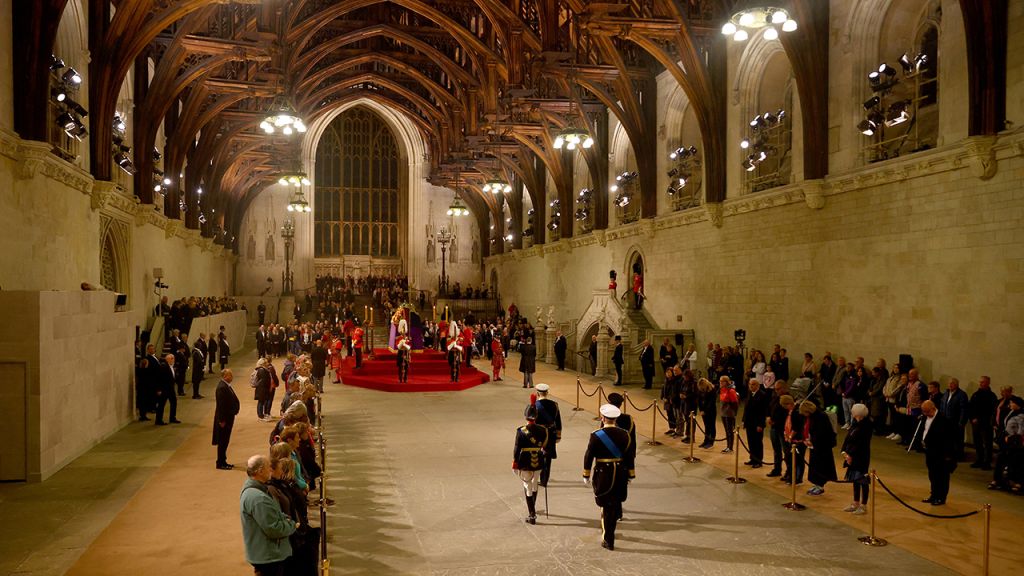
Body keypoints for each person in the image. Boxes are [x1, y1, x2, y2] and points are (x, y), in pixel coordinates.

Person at [583, 404, 635, 551]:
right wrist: (631, 474)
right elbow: (629, 456)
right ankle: (609, 533)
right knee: (613, 504)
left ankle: (608, 539)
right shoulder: (625, 434)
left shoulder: (596, 435)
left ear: (603, 418)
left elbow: (589, 455)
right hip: (620, 473)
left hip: (603, 474)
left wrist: (586, 474)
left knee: (606, 506)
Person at [240, 455, 298, 576]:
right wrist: (292, 525)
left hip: (264, 554)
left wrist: (283, 519)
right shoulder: (258, 498)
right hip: (269, 556)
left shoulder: (255, 490)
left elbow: (273, 513)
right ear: (260, 471)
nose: (270, 470)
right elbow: (273, 528)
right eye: (268, 468)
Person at [513, 403, 549, 525]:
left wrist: (515, 463)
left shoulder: (521, 430)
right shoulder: (543, 430)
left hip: (525, 461)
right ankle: (532, 507)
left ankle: (532, 514)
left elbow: (517, 448)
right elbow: (545, 446)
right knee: (535, 484)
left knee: (527, 486)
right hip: (538, 460)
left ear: (525, 416)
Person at [921, 399, 957, 505]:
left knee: (942, 476)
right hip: (930, 452)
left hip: (941, 454)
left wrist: (948, 455)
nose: (925, 414)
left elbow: (949, 439)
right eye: (924, 411)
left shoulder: (944, 420)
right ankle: (934, 495)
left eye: (927, 411)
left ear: (933, 408)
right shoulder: (925, 417)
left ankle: (941, 497)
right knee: (932, 475)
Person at [841, 403, 873, 514]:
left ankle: (863, 505)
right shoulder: (855, 423)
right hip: (851, 456)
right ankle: (855, 502)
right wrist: (844, 452)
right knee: (855, 480)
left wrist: (851, 455)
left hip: (861, 456)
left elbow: (861, 443)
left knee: (862, 480)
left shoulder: (866, 426)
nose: (851, 412)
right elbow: (848, 438)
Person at [801, 400, 838, 496]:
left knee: (821, 466)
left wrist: (812, 441)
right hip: (814, 446)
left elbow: (822, 433)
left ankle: (820, 485)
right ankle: (816, 484)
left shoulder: (821, 416)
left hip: (822, 447)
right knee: (814, 465)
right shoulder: (812, 417)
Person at [533, 384, 562, 486]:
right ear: (547, 393)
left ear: (537, 393)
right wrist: (558, 435)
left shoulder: (535, 405)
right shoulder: (554, 404)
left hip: (538, 433)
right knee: (547, 456)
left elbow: (531, 421)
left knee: (537, 455)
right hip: (551, 433)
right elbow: (558, 421)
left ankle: (536, 476)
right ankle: (545, 479)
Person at [213, 368, 240, 470]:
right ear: (225, 376)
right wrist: (222, 420)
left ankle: (223, 460)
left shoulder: (226, 386)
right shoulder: (221, 388)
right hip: (224, 420)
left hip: (228, 418)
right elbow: (221, 406)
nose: (232, 377)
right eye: (230, 375)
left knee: (225, 440)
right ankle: (220, 463)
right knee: (222, 441)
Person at [969, 376, 997, 469]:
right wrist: (972, 418)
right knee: (977, 442)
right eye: (980, 382)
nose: (981, 384)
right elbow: (971, 407)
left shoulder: (992, 396)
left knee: (987, 443)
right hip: (975, 423)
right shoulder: (975, 394)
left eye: (983, 382)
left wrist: (980, 419)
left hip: (986, 424)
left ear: (988, 383)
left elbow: (991, 411)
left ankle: (987, 462)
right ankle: (979, 460)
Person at [939, 378, 969, 460]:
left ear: (956, 384)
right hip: (946, 420)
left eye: (952, 383)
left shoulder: (962, 394)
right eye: (949, 383)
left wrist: (961, 422)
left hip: (956, 421)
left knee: (958, 439)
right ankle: (949, 454)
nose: (950, 385)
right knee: (948, 439)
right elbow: (942, 406)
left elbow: (964, 409)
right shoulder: (946, 393)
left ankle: (959, 456)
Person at [743, 377, 771, 468]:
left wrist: (760, 424)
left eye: (753, 384)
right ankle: (752, 458)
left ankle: (758, 461)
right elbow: (746, 409)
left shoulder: (762, 395)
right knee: (750, 441)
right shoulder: (749, 394)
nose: (751, 386)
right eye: (750, 384)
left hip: (757, 423)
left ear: (758, 385)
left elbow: (763, 412)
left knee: (757, 442)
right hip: (749, 423)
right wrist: (744, 420)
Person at [154, 353, 180, 425]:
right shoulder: (163, 366)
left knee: (174, 402)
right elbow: (159, 378)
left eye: (173, 358)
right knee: (161, 405)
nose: (173, 360)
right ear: (168, 359)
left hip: (171, 389)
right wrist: (158, 389)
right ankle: (158, 420)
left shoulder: (171, 366)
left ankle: (172, 418)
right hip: (164, 389)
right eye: (172, 358)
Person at [719, 376, 739, 453]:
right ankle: (728, 446)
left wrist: (734, 413)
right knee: (727, 431)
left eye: (722, 381)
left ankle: (730, 447)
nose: (720, 383)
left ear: (726, 382)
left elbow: (735, 403)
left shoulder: (731, 391)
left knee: (729, 431)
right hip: (723, 413)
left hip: (729, 413)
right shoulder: (722, 390)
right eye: (720, 381)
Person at [697, 377, 718, 449]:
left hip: (711, 411)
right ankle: (706, 440)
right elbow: (699, 400)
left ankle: (711, 442)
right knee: (706, 426)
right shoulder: (700, 391)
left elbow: (711, 402)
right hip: (703, 411)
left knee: (712, 426)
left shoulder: (712, 390)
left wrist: (705, 410)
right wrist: (701, 410)